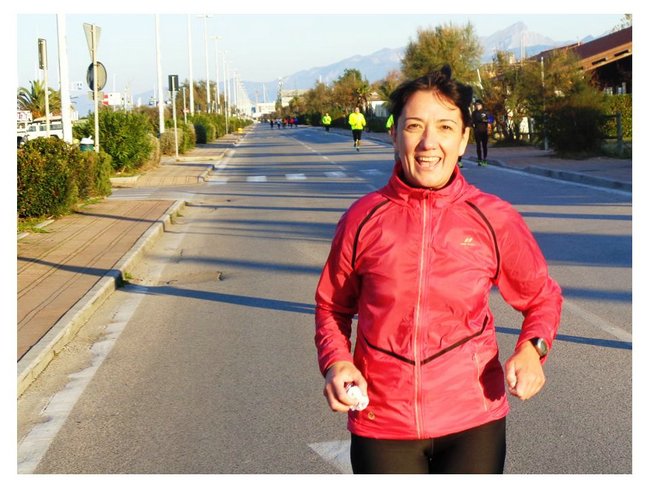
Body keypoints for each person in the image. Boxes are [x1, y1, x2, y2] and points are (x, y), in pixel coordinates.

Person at [314, 66, 562, 474]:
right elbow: (332, 307)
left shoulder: (494, 218)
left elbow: (542, 297)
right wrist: (336, 362)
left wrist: (533, 350)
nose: (429, 142)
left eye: (445, 127)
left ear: (463, 138)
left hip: (474, 420)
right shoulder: (361, 219)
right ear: (394, 135)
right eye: (414, 126)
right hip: (382, 420)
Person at [472, 99, 490, 166]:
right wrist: (472, 124)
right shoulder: (474, 113)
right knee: (478, 146)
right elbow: (472, 121)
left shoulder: (485, 112)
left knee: (484, 146)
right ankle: (479, 159)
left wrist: (485, 120)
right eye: (476, 105)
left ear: (481, 105)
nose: (477, 106)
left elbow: (490, 120)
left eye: (478, 105)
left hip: (484, 131)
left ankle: (485, 159)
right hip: (477, 131)